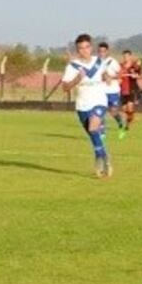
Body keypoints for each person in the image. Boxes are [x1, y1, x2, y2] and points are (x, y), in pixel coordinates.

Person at [61, 34, 112, 178]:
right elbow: (65, 87)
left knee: (93, 127)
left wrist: (106, 77)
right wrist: (77, 79)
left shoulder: (99, 61)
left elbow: (104, 74)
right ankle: (103, 154)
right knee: (93, 135)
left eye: (87, 47)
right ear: (78, 50)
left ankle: (100, 157)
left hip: (99, 102)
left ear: (91, 47)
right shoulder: (73, 66)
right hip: (82, 105)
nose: (84, 50)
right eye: (81, 48)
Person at [98, 42, 127, 139]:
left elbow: (120, 74)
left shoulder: (112, 62)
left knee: (113, 112)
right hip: (101, 91)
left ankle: (121, 125)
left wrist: (111, 77)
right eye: (100, 51)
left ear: (107, 51)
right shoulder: (97, 62)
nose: (101, 53)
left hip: (113, 91)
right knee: (100, 111)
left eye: (103, 51)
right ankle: (102, 132)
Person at [118, 50, 142, 136]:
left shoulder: (134, 66)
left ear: (130, 57)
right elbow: (118, 76)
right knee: (124, 110)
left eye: (127, 56)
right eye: (124, 56)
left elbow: (140, 76)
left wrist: (135, 76)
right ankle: (131, 119)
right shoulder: (120, 66)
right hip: (123, 90)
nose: (126, 58)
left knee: (130, 107)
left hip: (131, 89)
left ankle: (127, 126)